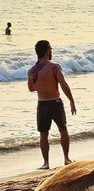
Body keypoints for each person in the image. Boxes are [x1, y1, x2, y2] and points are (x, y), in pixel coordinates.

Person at [27, 40, 77, 169]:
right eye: (50, 49)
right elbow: (63, 84)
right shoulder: (54, 66)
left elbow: (32, 89)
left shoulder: (32, 70)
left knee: (44, 134)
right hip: (55, 103)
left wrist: (35, 79)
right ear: (47, 51)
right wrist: (71, 100)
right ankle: (66, 159)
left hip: (42, 104)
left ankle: (46, 163)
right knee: (63, 129)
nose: (51, 51)